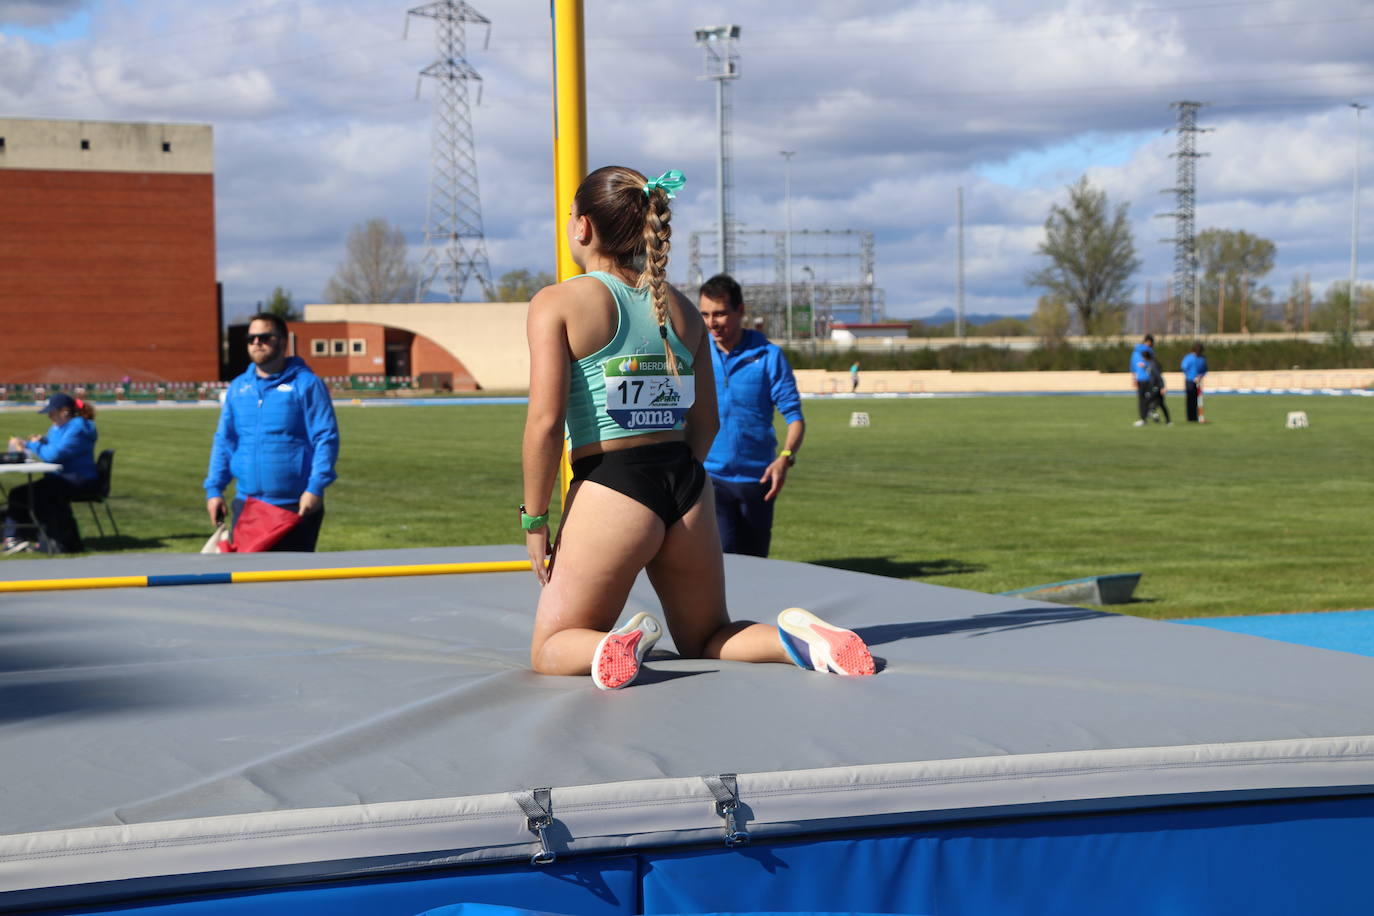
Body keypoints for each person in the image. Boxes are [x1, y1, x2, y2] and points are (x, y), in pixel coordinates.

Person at [522, 165, 873, 690]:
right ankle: (792, 641)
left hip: (614, 482)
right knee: (710, 633)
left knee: (552, 647)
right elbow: (706, 421)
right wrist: (678, 482)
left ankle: (612, 643)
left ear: (583, 226)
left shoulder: (559, 302)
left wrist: (534, 519)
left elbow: (546, 425)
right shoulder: (683, 310)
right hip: (687, 485)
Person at [204, 312, 340, 552]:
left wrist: (315, 488)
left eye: (265, 337)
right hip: (247, 504)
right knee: (247, 584)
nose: (257, 343)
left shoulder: (307, 384)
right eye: (251, 338)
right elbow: (225, 441)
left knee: (290, 584)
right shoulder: (238, 387)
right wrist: (214, 490)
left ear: (283, 341)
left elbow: (325, 439)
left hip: (294, 505)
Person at [698, 273, 805, 558]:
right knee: (723, 559)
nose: (711, 323)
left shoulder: (769, 356)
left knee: (756, 562)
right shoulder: (695, 354)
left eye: (720, 313)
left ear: (741, 311)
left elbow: (795, 417)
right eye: (705, 314)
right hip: (711, 477)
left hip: (758, 480)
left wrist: (785, 458)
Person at [3, 393, 99, 554]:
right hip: (62, 478)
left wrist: (32, 445)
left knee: (27, 494)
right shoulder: (59, 428)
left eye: (52, 412)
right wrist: (31, 443)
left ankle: (18, 537)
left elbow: (53, 454)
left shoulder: (78, 427)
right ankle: (22, 537)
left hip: (79, 480)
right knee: (22, 493)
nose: (49, 416)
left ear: (65, 411)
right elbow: (52, 447)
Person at [1130, 334, 1154, 427]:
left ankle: (1144, 417)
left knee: (1142, 399)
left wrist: (1133, 378)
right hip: (1149, 378)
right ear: (1149, 342)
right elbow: (1153, 364)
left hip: (1140, 378)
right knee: (1150, 398)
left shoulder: (1135, 352)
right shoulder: (1149, 351)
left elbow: (1132, 366)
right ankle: (1149, 413)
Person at [1181, 342, 1207, 422]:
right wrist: (1192, 377)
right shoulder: (1188, 358)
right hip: (1190, 381)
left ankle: (1197, 417)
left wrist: (1200, 376)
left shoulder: (1202, 358)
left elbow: (1204, 370)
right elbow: (1184, 368)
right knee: (1190, 400)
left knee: (1197, 400)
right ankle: (1190, 418)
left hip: (1198, 381)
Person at [1145, 352, 1172, 425]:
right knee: (1160, 404)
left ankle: (1149, 417)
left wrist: (1162, 387)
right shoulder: (1151, 364)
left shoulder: (1152, 364)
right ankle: (1167, 420)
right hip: (1156, 387)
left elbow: (1158, 376)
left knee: (1147, 402)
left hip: (1156, 388)